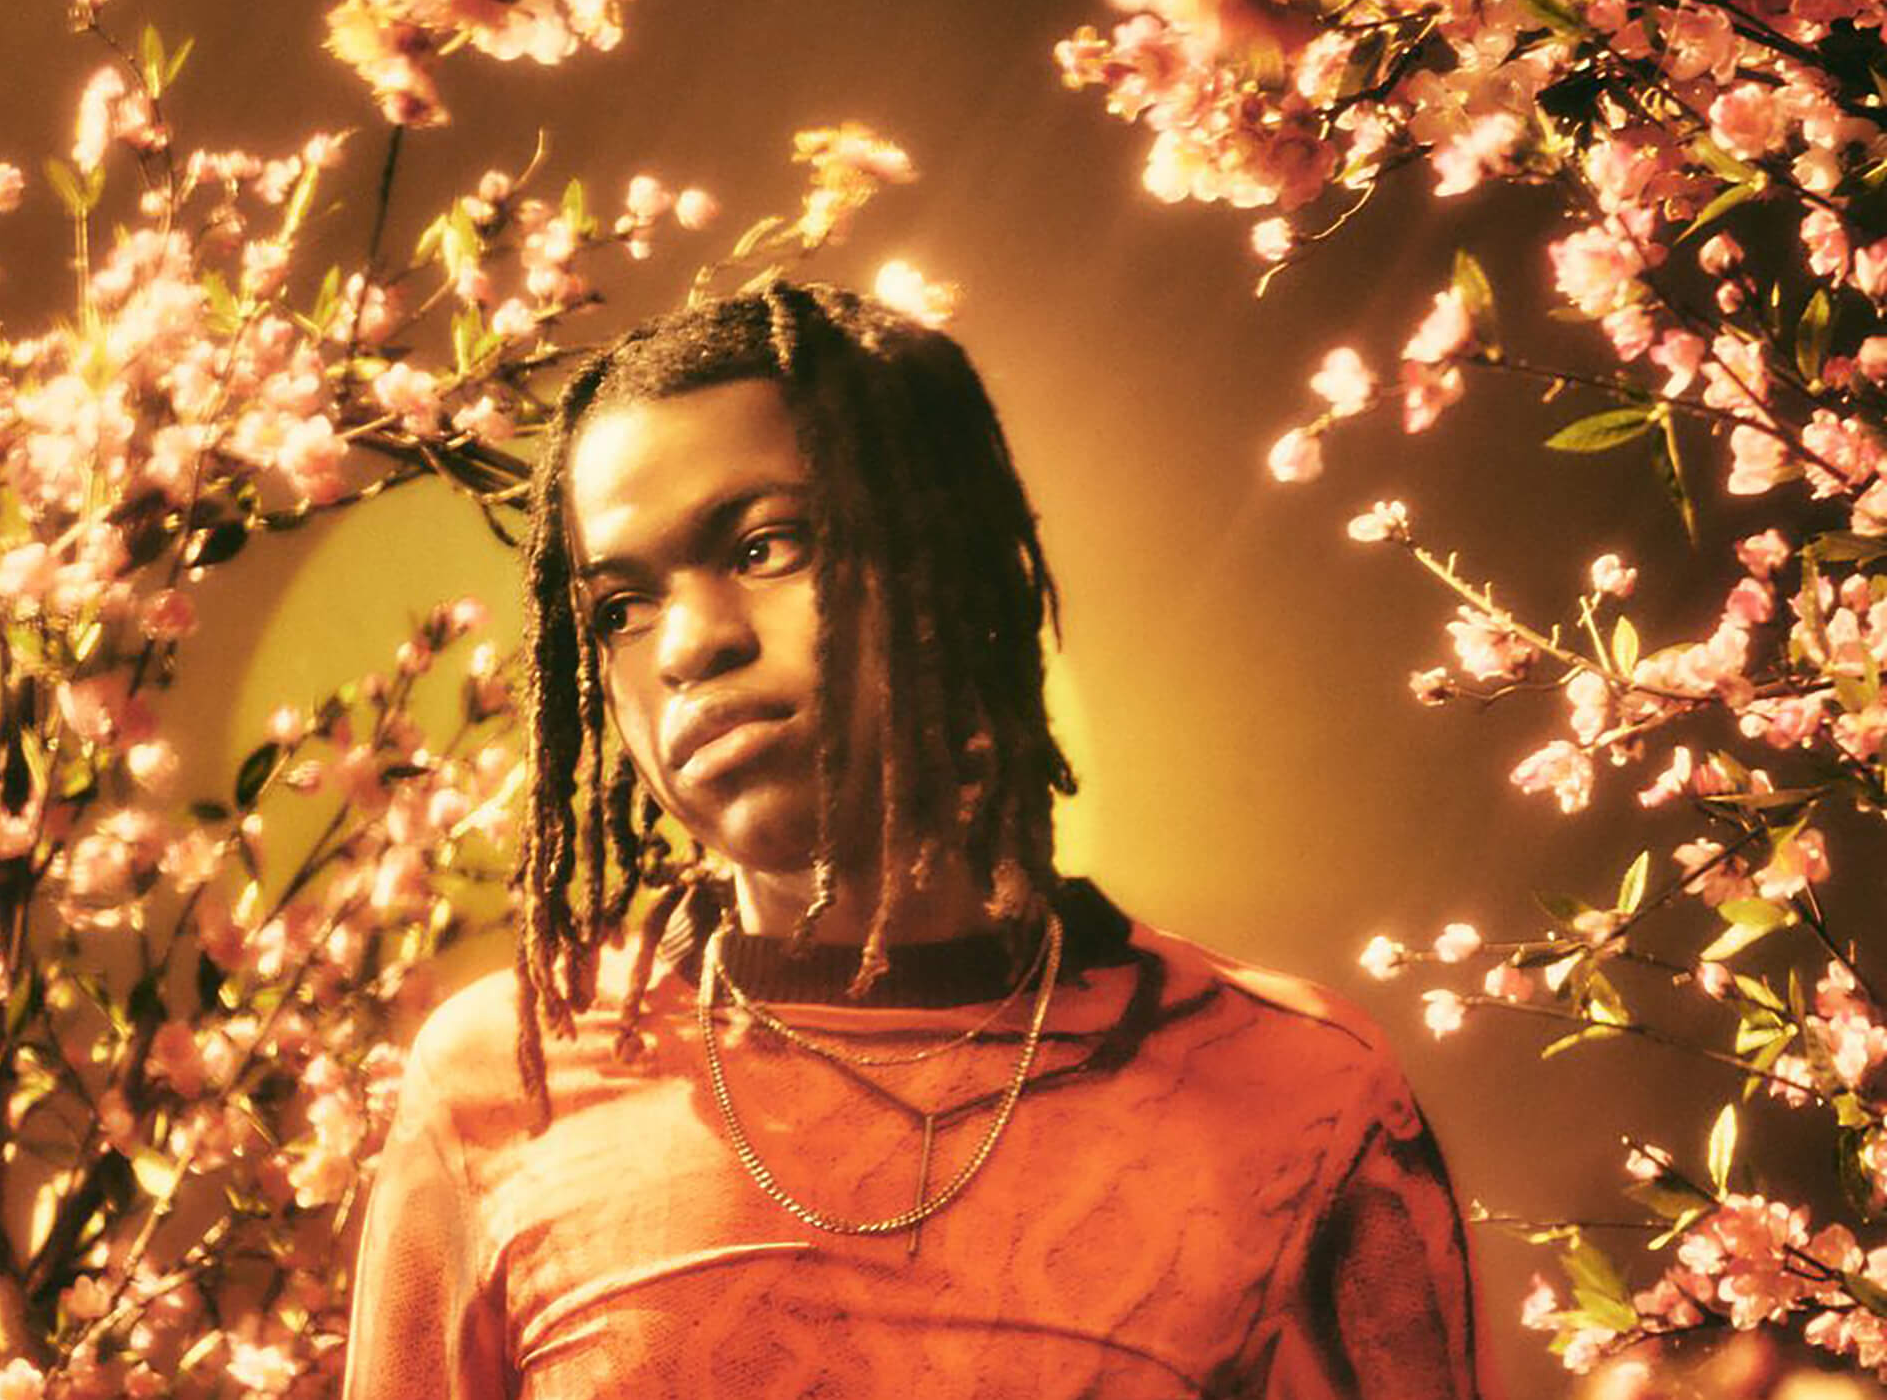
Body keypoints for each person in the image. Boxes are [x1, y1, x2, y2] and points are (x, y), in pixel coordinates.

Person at [341, 283, 1492, 1399]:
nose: (688, 646)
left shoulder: (1293, 1095)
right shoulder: (507, 1081)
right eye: (620, 608)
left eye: (763, 546)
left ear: (944, 564)